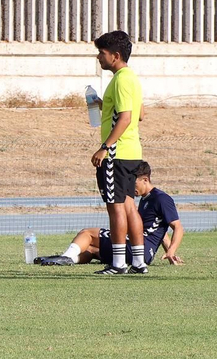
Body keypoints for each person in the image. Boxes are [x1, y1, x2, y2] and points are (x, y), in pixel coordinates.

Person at [39, 164, 183, 266]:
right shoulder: (146, 199)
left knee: (87, 233)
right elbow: (162, 232)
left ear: (145, 179)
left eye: (133, 183)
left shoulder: (161, 198)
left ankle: (64, 257)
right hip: (143, 254)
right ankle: (66, 260)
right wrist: (171, 255)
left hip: (137, 247)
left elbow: (178, 227)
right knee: (91, 250)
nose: (130, 188)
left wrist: (171, 251)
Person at [90, 30, 148, 275]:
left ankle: (118, 263)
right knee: (129, 207)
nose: (98, 58)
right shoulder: (131, 78)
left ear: (115, 55)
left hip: (117, 154)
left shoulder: (121, 80)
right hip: (132, 151)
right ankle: (138, 262)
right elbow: (140, 114)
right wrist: (104, 105)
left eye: (101, 53)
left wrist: (105, 147)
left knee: (115, 208)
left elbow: (125, 117)